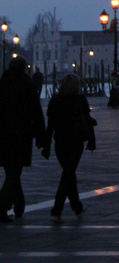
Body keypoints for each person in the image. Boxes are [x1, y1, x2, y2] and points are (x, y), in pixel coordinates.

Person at [42, 73, 96, 221]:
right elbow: (87, 121)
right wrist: (92, 140)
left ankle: (77, 208)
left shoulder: (55, 100)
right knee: (68, 174)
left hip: (60, 141)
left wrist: (46, 145)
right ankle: (57, 209)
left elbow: (51, 125)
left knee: (69, 173)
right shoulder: (80, 100)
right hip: (75, 140)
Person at [0, 56, 46, 221]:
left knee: (11, 171)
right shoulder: (28, 85)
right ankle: (2, 206)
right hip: (20, 134)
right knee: (14, 172)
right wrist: (42, 134)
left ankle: (19, 205)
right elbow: (36, 112)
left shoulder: (2, 83)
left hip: (3, 134)